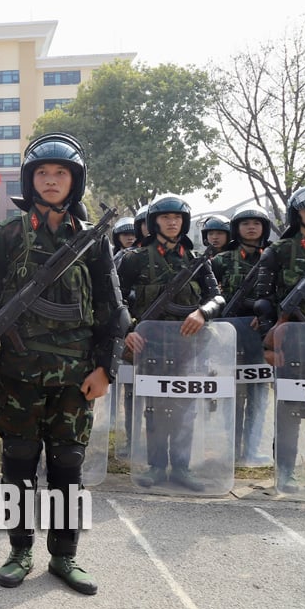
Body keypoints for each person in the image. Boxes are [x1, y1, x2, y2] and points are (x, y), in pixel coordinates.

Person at [0, 134, 125, 595]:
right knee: (17, 465)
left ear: (74, 181)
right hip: (17, 375)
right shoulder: (4, 237)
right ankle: (18, 551)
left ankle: (64, 555)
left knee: (67, 467)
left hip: (75, 380)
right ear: (29, 180)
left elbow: (113, 310)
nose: (51, 181)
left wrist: (106, 368)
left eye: (60, 174)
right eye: (42, 173)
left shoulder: (93, 240)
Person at [119, 193, 223, 492]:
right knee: (153, 408)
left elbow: (217, 296)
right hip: (148, 346)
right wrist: (127, 329)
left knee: (184, 408)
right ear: (154, 222)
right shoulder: (134, 259)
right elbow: (117, 299)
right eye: (166, 217)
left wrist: (203, 312)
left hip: (187, 346)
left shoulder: (195, 259)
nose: (172, 222)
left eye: (177, 218)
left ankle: (181, 467)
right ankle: (155, 466)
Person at [254, 186, 305, 492]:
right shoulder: (278, 251)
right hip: (291, 345)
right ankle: (286, 472)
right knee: (289, 410)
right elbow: (263, 302)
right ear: (297, 214)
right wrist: (268, 344)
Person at [212, 205, 272, 465]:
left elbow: (282, 292)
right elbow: (209, 297)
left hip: (262, 336)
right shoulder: (222, 260)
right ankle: (231, 449)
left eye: (256, 223)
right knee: (232, 394)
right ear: (236, 229)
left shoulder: (274, 257)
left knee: (259, 394)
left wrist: (267, 317)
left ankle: (252, 450)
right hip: (229, 335)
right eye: (245, 223)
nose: (251, 227)